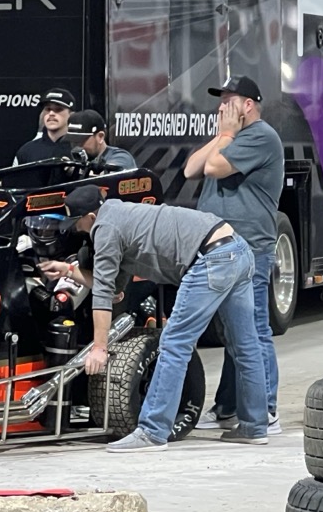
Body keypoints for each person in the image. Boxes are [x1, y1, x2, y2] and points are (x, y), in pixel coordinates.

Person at [40, 185, 268, 451]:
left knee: (173, 344)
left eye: (77, 223)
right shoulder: (121, 214)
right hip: (236, 250)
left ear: (91, 217)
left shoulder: (105, 229)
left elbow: (102, 295)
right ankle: (254, 427)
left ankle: (152, 431)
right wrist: (68, 270)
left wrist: (99, 348)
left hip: (210, 258)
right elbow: (113, 290)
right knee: (245, 345)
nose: (76, 229)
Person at [183, 75, 284, 435]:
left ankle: (266, 409)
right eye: (220, 100)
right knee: (233, 331)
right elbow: (190, 169)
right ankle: (228, 407)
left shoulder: (260, 136)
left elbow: (213, 168)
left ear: (248, 105)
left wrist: (226, 135)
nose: (221, 106)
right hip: (221, 248)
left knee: (254, 328)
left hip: (250, 247)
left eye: (228, 100)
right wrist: (223, 135)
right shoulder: (230, 137)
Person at [13, 88, 76, 186]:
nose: (51, 113)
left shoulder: (79, 149)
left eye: (58, 109)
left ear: (71, 115)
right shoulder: (26, 151)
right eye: (48, 109)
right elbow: (14, 184)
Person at [65, 110, 136, 172]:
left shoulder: (121, 158)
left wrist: (76, 171)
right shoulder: (77, 161)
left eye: (80, 140)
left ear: (100, 137)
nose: (76, 146)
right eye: (72, 140)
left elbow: (108, 175)